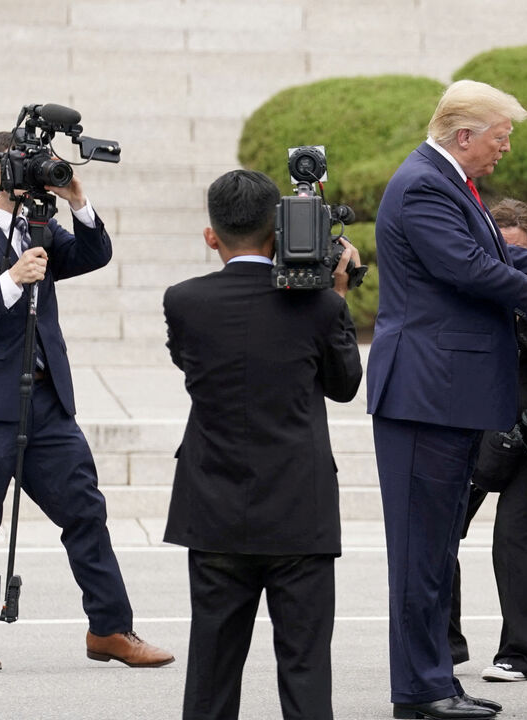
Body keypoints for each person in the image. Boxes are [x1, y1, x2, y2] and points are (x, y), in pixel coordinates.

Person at [367, 80, 527, 720]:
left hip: (445, 393)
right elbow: (467, 267)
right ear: (465, 135)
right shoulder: (425, 184)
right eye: (500, 136)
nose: (505, 148)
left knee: (435, 550)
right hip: (424, 393)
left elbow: (502, 256)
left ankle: (437, 681)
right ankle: (422, 690)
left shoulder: (448, 182)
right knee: (420, 551)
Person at [0, 131, 172, 672]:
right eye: (18, 165)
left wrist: (77, 200)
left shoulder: (40, 228)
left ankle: (110, 628)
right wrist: (13, 278)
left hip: (47, 403)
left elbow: (94, 254)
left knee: (86, 510)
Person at [162, 170, 363, 720]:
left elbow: (190, 366)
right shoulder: (320, 306)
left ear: (211, 235)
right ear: (278, 231)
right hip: (301, 510)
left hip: (214, 506)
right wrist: (335, 294)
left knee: (211, 668)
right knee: (304, 667)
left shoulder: (183, 301)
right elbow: (345, 387)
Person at [446, 199, 527, 684]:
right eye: (499, 253)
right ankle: (443, 643)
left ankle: (519, 653)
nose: (508, 264)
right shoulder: (467, 284)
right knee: (439, 535)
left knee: (514, 544)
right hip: (471, 430)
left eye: (519, 254)